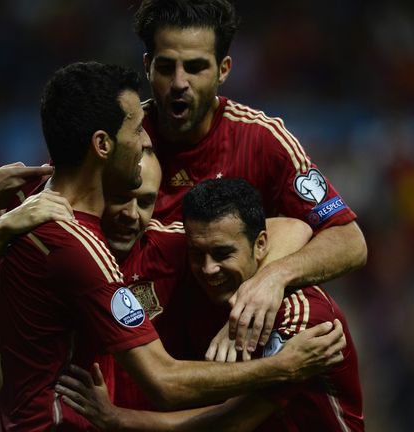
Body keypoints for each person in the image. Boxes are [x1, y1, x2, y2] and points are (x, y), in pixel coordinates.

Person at [0, 60, 346, 431]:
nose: (142, 141)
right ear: (103, 145)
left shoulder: (32, 216)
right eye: (136, 129)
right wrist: (283, 367)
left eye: (147, 202)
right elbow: (165, 380)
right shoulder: (78, 246)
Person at [133, 0, 368, 353]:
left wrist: (273, 277)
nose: (179, 82)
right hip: (143, 362)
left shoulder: (262, 140)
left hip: (236, 362)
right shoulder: (122, 141)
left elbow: (349, 240)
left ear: (223, 69)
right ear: (148, 67)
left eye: (196, 68)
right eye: (167, 67)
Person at [55, 178, 364, 431]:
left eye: (222, 254)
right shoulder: (202, 291)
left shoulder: (302, 320)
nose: (207, 268)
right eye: (196, 253)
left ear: (260, 245)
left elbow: (232, 422)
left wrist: (117, 419)